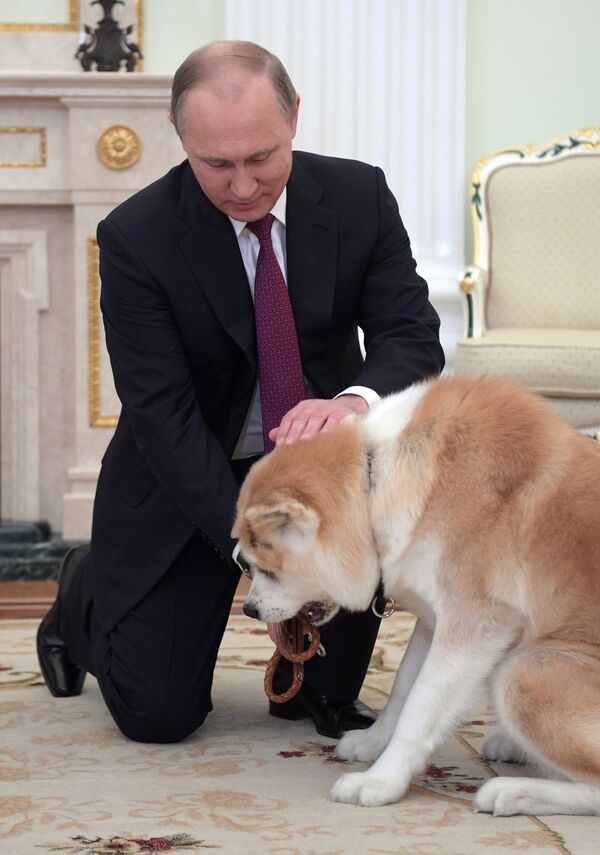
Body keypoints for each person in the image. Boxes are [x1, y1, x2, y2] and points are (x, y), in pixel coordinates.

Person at [37, 40, 444, 744]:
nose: (244, 185)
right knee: (157, 712)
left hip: (326, 468)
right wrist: (259, 539)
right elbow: (161, 415)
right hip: (190, 471)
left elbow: (411, 338)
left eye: (262, 157)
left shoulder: (359, 198)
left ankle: (315, 674)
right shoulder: (136, 238)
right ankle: (81, 593)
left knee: (315, 703)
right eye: (217, 164)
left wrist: (352, 404)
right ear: (182, 140)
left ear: (294, 118)